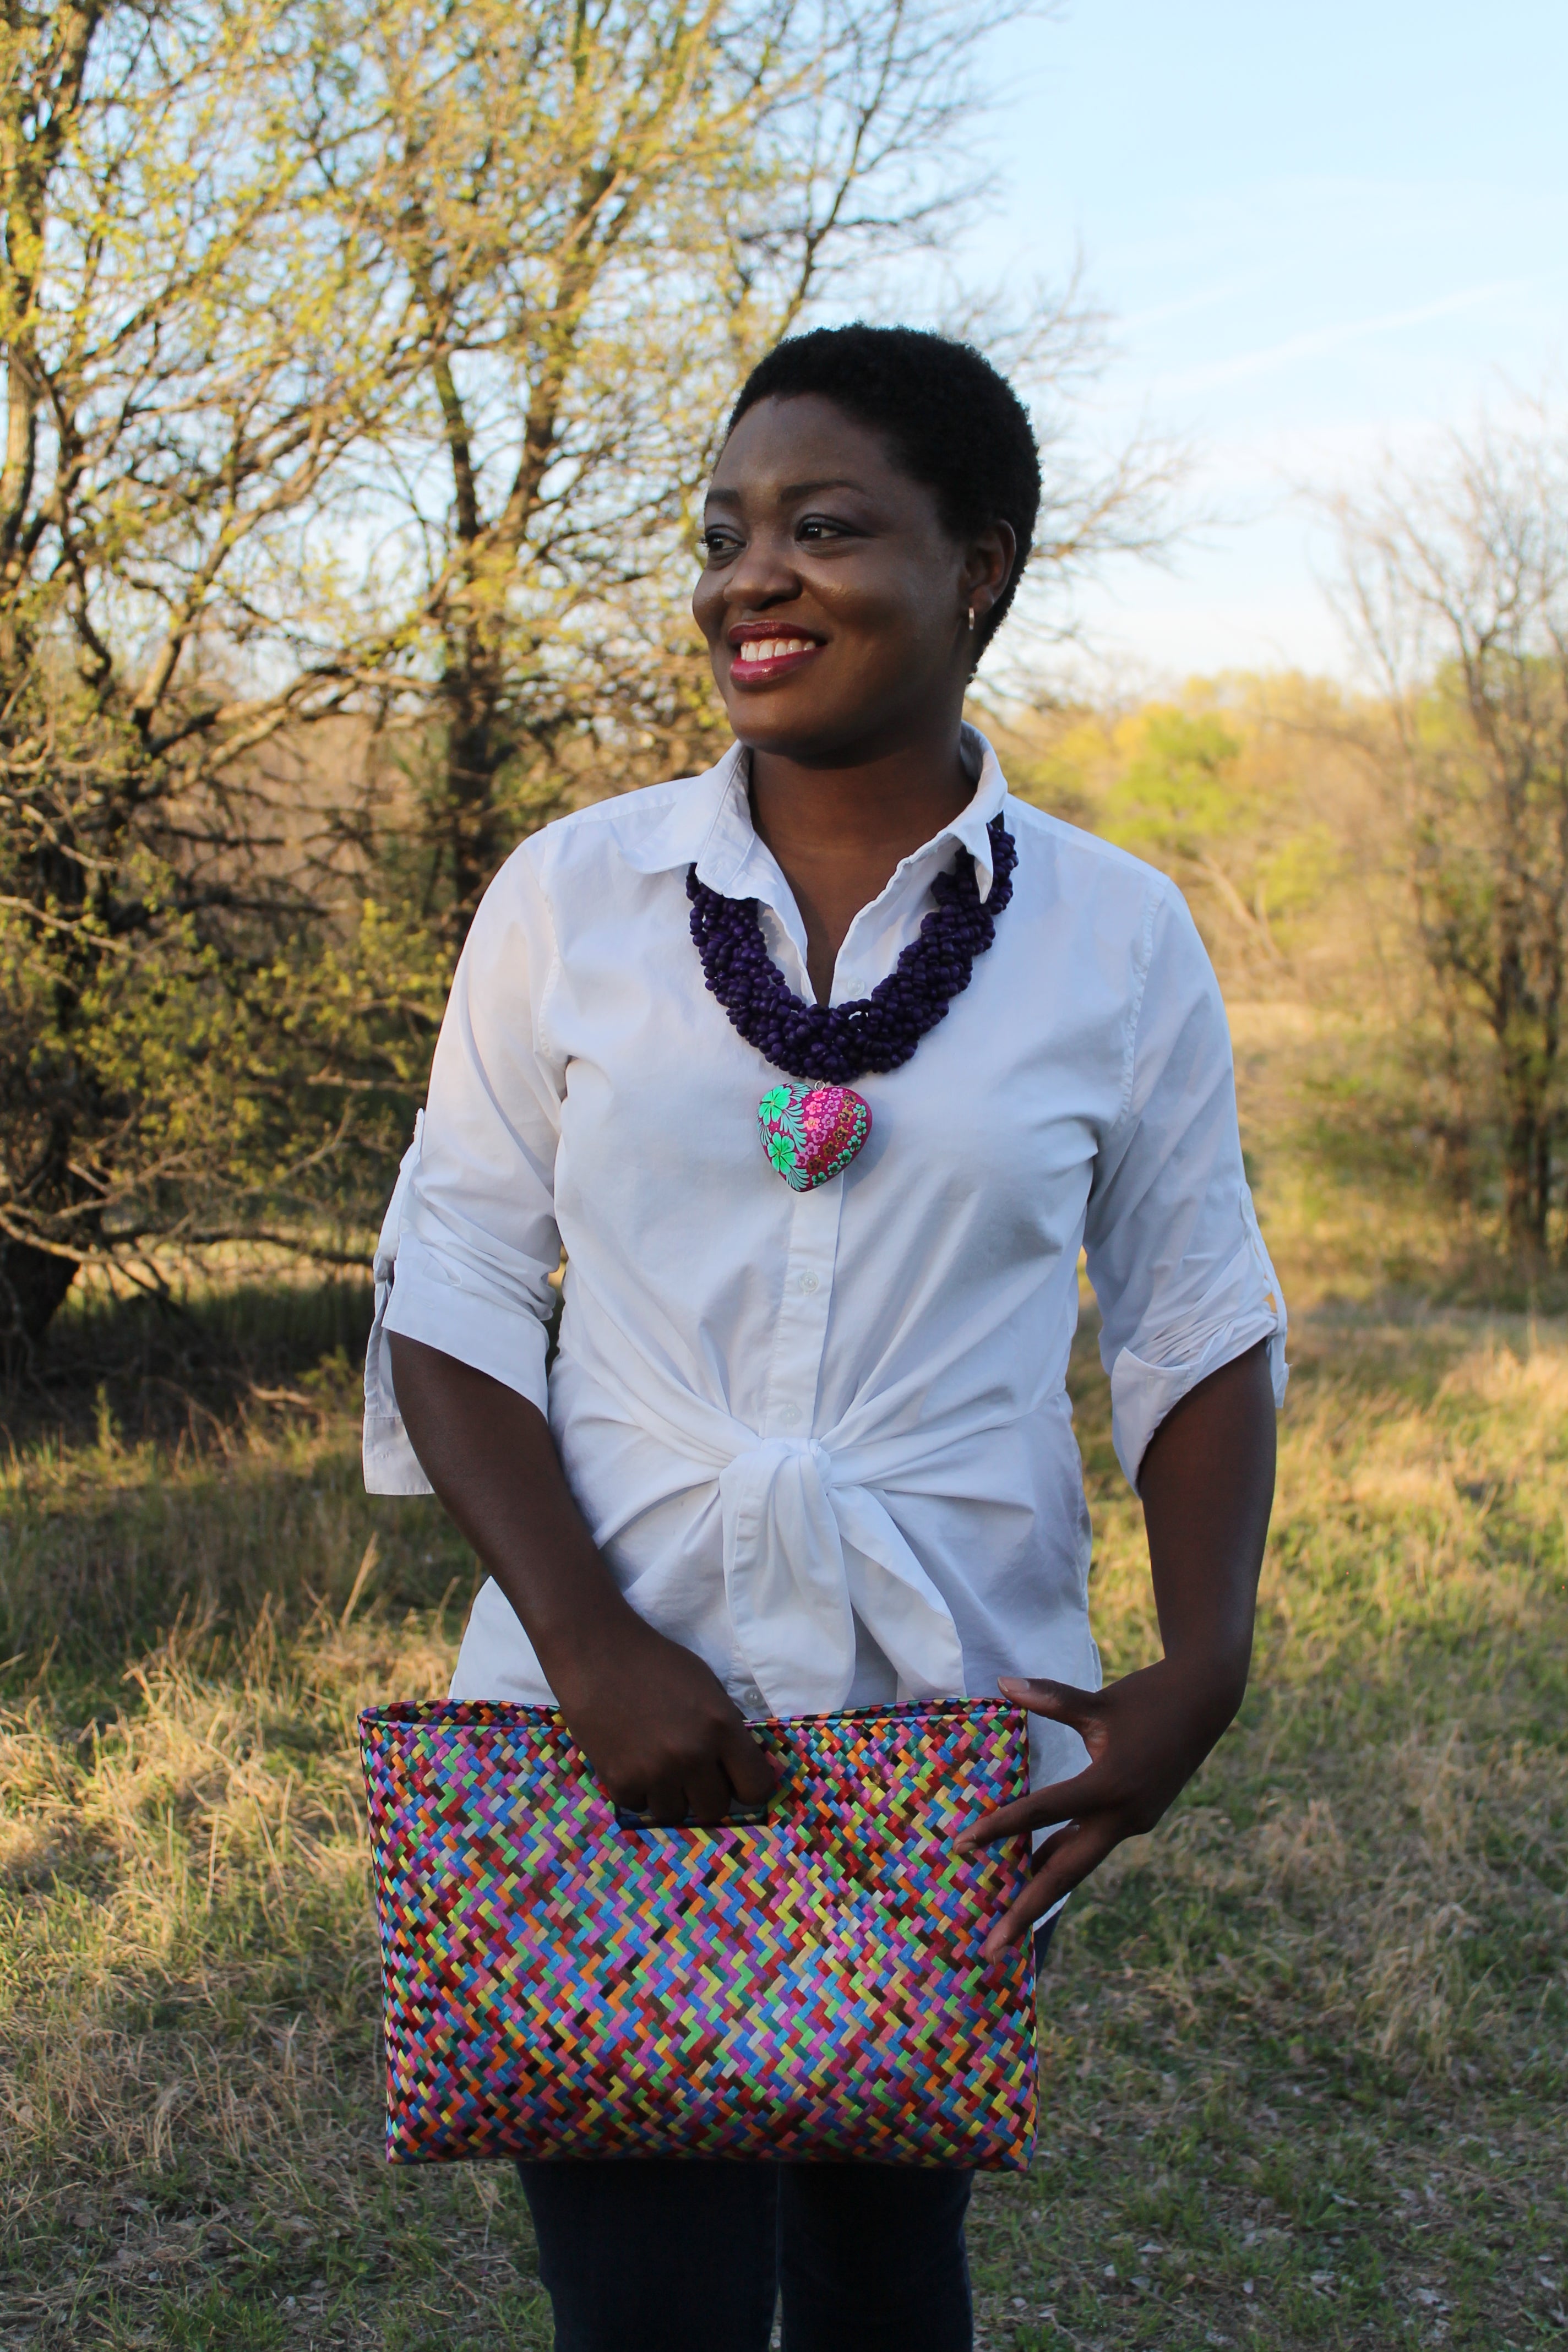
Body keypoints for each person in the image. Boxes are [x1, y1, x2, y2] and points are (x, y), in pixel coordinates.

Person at [363, 324, 1284, 2352]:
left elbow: (1198, 1313)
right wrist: (595, 1643)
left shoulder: (1116, 936)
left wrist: (1203, 1663)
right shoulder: (574, 896)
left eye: (824, 526)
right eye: (722, 534)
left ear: (982, 567)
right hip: (597, 1710)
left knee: (885, 2273)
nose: (746, 578)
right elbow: (450, 1288)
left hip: (939, 1708)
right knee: (640, 2301)